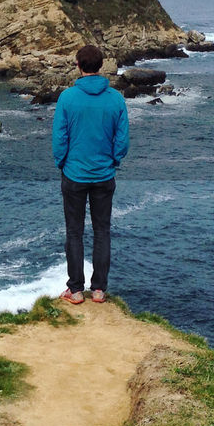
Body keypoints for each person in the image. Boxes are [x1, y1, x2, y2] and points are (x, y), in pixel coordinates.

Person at [51, 44, 129, 304]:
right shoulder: (116, 99)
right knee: (102, 231)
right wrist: (113, 161)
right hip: (104, 175)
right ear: (102, 65)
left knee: (74, 232)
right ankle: (98, 290)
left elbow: (60, 138)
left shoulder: (67, 98)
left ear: (78, 65)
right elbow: (122, 141)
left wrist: (62, 163)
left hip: (73, 174)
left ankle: (75, 290)